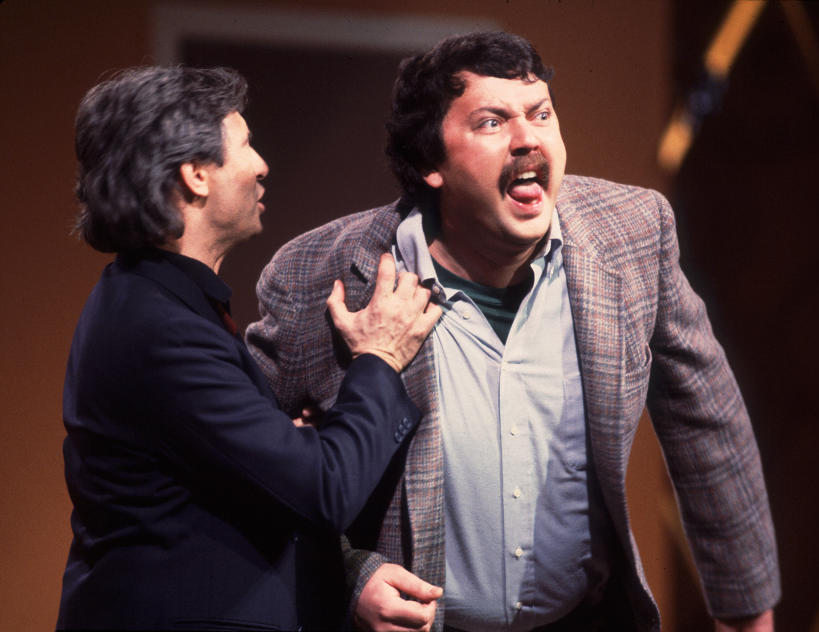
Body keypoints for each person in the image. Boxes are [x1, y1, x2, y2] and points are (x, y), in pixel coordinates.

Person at [248, 32, 779, 632]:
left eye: (541, 114)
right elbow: (243, 465)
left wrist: (746, 610)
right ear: (430, 164)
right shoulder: (317, 274)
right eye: (492, 121)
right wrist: (346, 574)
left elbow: (707, 422)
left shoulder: (632, 236)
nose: (529, 138)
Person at [57, 66, 442, 631]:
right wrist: (379, 358)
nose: (262, 164)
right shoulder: (162, 326)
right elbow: (322, 491)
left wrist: (280, 440)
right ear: (195, 176)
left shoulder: (153, 303)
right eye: (243, 144)